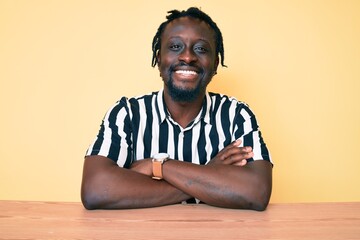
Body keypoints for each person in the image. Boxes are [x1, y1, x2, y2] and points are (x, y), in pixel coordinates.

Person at [81, 7, 273, 211]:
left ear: (216, 64)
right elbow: (96, 189)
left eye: (201, 48)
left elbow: (257, 191)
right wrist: (208, 176)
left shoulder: (236, 115)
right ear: (158, 59)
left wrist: (159, 166)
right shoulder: (127, 114)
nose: (188, 57)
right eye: (175, 46)